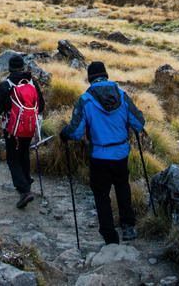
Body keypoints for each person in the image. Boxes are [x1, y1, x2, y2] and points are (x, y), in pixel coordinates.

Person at [60, 60, 146, 245]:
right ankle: (128, 226)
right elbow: (139, 123)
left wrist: (64, 133)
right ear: (106, 75)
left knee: (101, 195)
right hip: (121, 154)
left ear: (90, 78)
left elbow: (75, 132)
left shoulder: (85, 100)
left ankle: (110, 237)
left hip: (99, 156)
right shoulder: (122, 96)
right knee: (123, 187)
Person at [0, 54, 42, 208]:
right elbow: (41, 106)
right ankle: (26, 182)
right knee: (23, 154)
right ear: (23, 67)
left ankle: (24, 191)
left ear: (9, 68)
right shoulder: (32, 83)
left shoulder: (6, 85)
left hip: (12, 129)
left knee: (12, 159)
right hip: (30, 128)